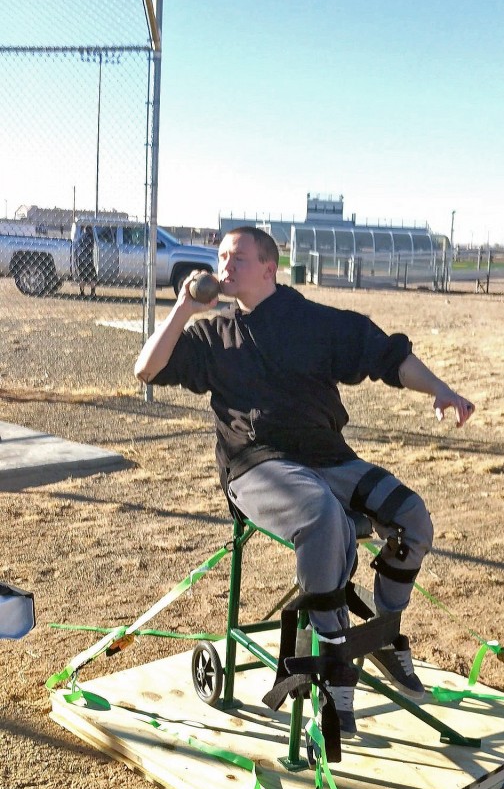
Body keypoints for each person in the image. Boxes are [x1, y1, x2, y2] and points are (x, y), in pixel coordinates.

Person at [134, 226, 475, 736]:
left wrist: (441, 388)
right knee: (322, 516)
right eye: (221, 257)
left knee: (412, 516)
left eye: (238, 258)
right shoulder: (213, 334)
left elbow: (385, 354)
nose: (224, 266)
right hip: (255, 466)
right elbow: (146, 368)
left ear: (269, 267)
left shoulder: (312, 322)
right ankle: (334, 663)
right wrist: (183, 308)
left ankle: (383, 631)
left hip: (327, 458)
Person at [75, 224, 97, 298]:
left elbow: (77, 248)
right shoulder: (92, 238)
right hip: (90, 259)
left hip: (81, 259)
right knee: (93, 277)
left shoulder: (81, 237)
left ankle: (82, 292)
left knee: (82, 277)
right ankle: (93, 292)